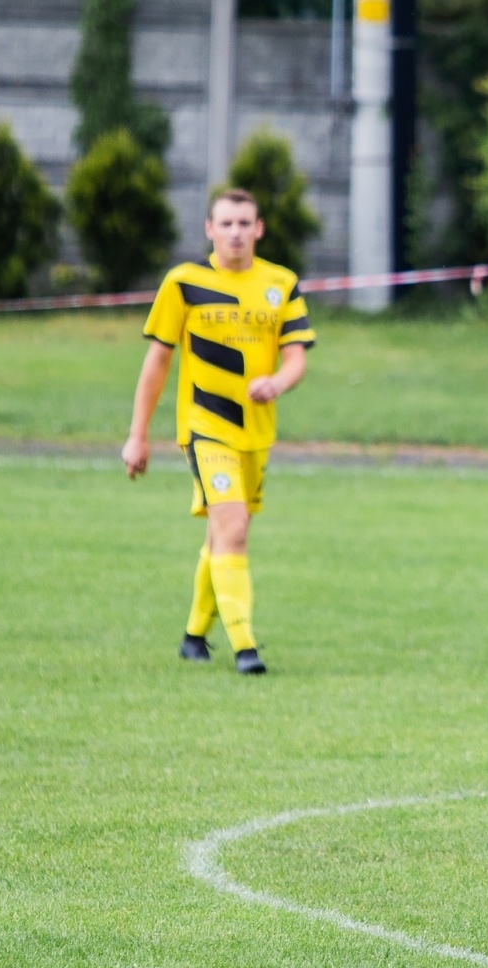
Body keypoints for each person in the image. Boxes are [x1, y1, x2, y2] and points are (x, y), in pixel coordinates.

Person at [121, 189, 314, 675]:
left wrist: (277, 381)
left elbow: (296, 358)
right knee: (234, 528)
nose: (235, 233)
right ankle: (245, 647)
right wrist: (137, 434)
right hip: (205, 428)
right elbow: (158, 361)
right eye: (225, 224)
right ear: (208, 229)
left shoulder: (281, 284)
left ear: (259, 228)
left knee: (223, 532)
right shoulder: (184, 283)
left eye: (244, 223)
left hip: (257, 433)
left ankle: (193, 635)